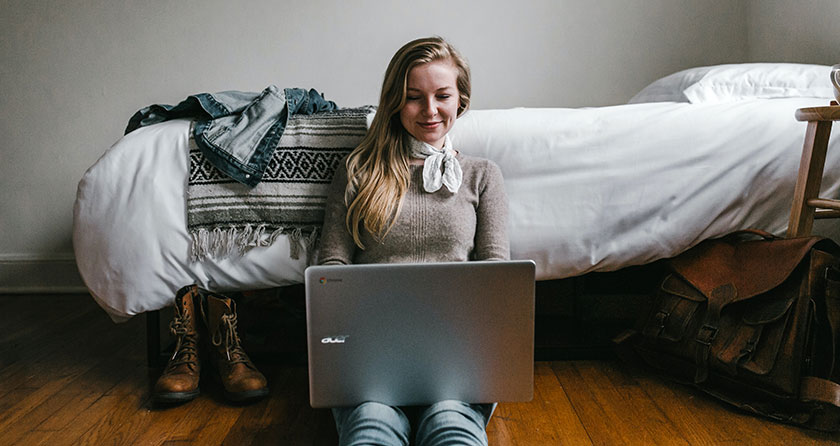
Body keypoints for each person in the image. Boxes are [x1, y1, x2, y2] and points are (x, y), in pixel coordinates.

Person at [317, 36, 509, 446]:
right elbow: (331, 269)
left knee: (450, 428)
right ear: (393, 102)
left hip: (457, 360)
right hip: (371, 361)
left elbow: (498, 280)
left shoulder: (483, 175)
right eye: (413, 97)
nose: (430, 110)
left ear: (462, 100)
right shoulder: (358, 172)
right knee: (372, 427)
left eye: (442, 95)